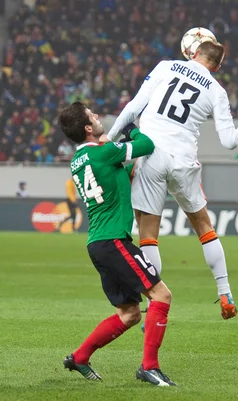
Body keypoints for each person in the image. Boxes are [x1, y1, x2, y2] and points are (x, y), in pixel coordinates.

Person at [104, 41, 238, 319]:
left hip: (151, 154)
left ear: (193, 53)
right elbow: (229, 142)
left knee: (148, 235)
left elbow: (133, 108)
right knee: (204, 226)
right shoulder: (217, 91)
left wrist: (108, 139)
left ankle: (153, 304)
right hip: (184, 160)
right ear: (217, 67)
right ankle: (225, 293)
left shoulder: (166, 66)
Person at [58, 101, 176, 386]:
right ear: (88, 128)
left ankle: (80, 357)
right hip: (113, 241)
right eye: (92, 116)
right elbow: (146, 144)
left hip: (98, 243)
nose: (98, 117)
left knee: (129, 313)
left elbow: (118, 175)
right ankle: (149, 366)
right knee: (161, 296)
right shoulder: (105, 152)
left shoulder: (78, 161)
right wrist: (133, 128)